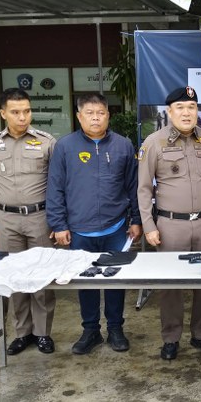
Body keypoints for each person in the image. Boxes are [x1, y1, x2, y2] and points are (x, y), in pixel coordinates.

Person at [137, 86, 201, 360]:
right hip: (170, 225)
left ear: (197, 110)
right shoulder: (154, 142)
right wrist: (148, 225)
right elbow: (144, 189)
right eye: (180, 108)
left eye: (191, 107)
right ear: (170, 112)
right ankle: (171, 338)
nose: (186, 113)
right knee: (170, 285)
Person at [47, 93, 142, 355]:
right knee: (84, 281)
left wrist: (136, 219)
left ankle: (115, 328)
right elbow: (55, 188)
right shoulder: (65, 146)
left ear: (108, 115)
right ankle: (90, 330)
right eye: (89, 113)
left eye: (101, 113)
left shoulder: (123, 145)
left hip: (116, 227)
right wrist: (58, 224)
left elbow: (133, 186)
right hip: (79, 229)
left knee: (115, 280)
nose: (96, 118)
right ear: (79, 116)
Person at [0, 88, 57, 355]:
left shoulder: (46, 142)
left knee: (41, 278)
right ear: (3, 113)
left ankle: (43, 333)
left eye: (26, 111)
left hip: (40, 218)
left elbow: (57, 185)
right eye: (15, 112)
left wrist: (57, 222)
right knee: (15, 278)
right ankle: (22, 333)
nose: (22, 117)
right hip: (7, 219)